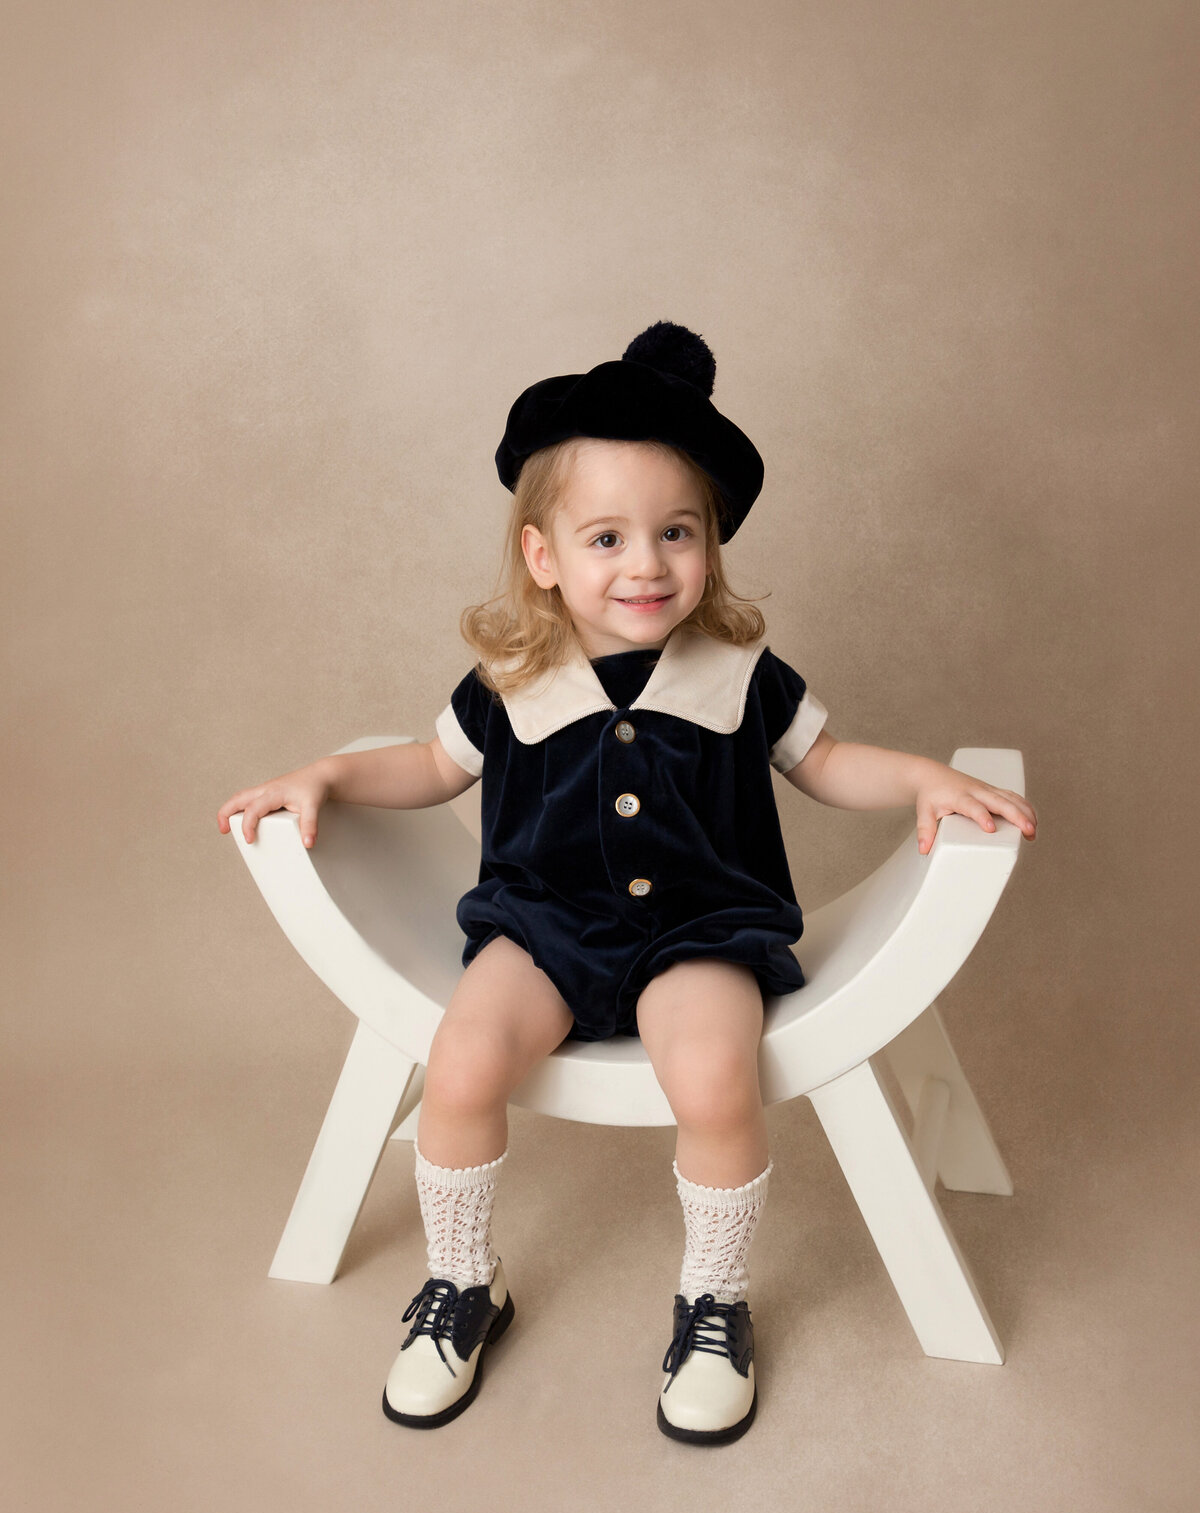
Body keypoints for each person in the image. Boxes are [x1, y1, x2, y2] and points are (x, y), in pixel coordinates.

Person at [217, 321, 1038, 1446]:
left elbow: (831, 764)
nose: (646, 563)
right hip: (542, 927)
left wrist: (924, 782)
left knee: (711, 1072)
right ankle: (462, 1281)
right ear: (544, 553)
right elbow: (424, 766)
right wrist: (321, 774)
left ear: (710, 549)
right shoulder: (511, 678)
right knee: (460, 1057)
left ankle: (714, 1300)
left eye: (676, 533)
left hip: (700, 931)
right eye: (607, 536)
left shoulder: (741, 672)